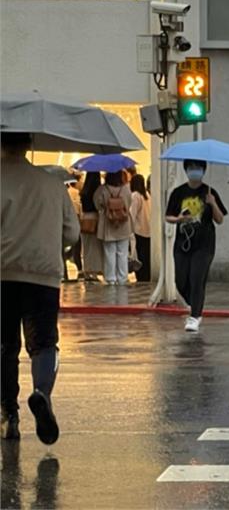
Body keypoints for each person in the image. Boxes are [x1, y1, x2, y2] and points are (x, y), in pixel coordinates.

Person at [1, 133, 79, 444]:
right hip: (43, 275)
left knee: (5, 346)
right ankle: (41, 392)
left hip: (2, 273)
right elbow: (72, 233)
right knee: (44, 344)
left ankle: (9, 415)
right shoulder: (51, 185)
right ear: (29, 144)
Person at [165, 160, 227, 333]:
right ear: (186, 170)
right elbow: (168, 216)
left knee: (197, 278)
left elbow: (220, 219)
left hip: (204, 245)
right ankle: (195, 303)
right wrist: (179, 219)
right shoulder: (178, 193)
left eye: (198, 168)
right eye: (191, 168)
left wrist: (213, 202)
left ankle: (194, 316)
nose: (195, 171)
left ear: (204, 170)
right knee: (181, 280)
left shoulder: (210, 192)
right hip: (183, 244)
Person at [94, 171, 133, 285]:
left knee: (109, 252)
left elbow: (97, 203)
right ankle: (122, 278)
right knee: (123, 252)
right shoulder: (126, 189)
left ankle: (111, 278)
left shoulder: (102, 189)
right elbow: (129, 203)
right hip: (124, 223)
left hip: (108, 223)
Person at [79, 172, 104, 281]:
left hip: (85, 219)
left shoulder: (84, 191)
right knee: (94, 246)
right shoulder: (97, 190)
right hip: (95, 219)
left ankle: (87, 270)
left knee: (86, 246)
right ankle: (93, 271)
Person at [129, 173, 151, 282]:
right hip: (148, 230)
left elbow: (131, 214)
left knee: (139, 257)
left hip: (138, 231)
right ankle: (146, 276)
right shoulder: (147, 195)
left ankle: (141, 277)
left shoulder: (135, 196)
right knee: (147, 256)